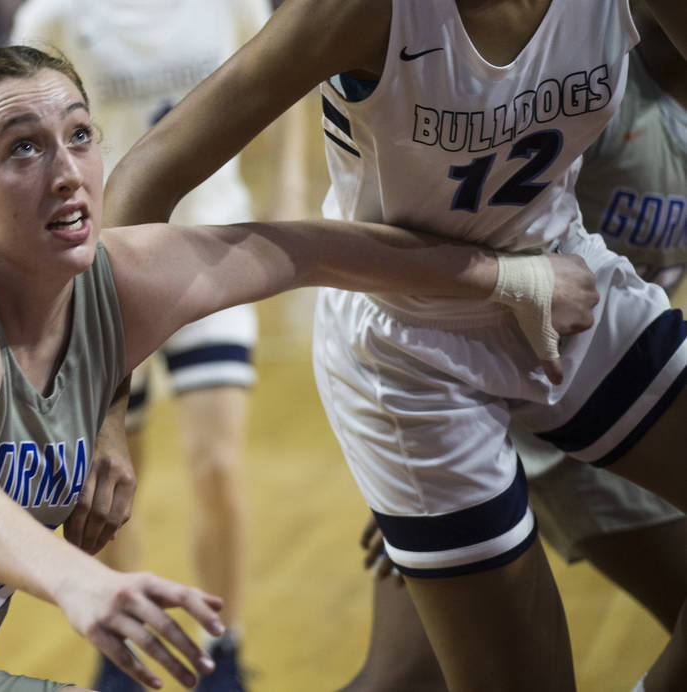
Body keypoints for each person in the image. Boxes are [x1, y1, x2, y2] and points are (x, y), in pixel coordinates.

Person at [0, 44, 595, 691]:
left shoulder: (121, 279)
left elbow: (309, 249)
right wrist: (83, 583)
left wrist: (503, 276)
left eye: (79, 135)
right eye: (22, 149)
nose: (67, 171)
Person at [101, 0, 687, 689]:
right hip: (406, 339)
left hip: (563, 282)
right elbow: (138, 183)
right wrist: (108, 410)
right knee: (432, 674)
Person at [338, 8, 687, 690]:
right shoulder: (595, 71)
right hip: (502, 390)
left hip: (609, 388)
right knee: (398, 681)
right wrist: (411, 476)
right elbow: (439, 230)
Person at [8, 2, 305, 689]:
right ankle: (124, 644)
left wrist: (289, 183)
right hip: (101, 266)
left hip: (210, 251)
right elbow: (7, 115)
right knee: (110, 483)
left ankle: (223, 650)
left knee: (218, 467)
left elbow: (286, 76)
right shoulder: (53, 13)